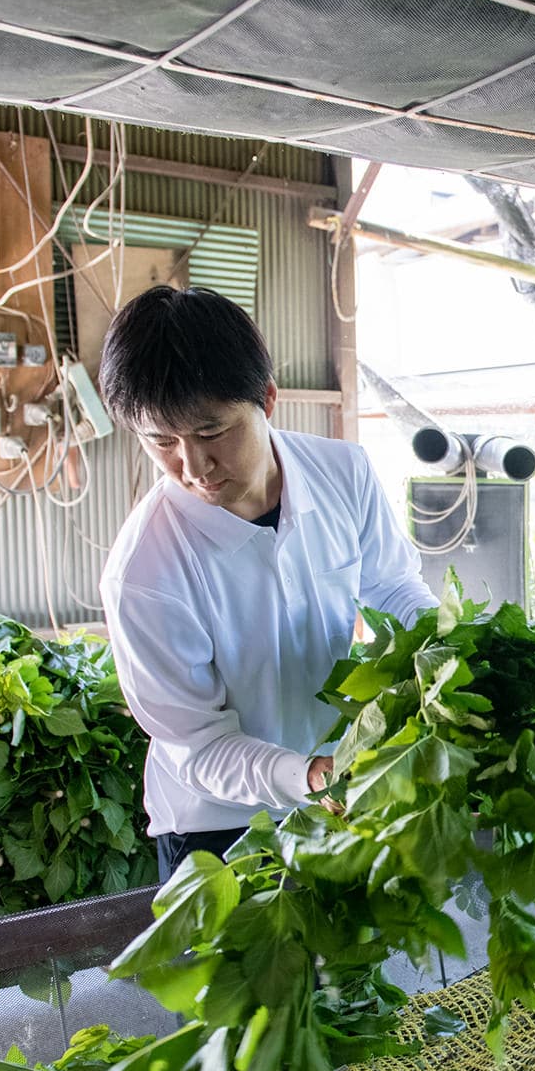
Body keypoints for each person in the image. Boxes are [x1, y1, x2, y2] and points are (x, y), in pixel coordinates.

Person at [98, 286, 435, 879]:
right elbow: (197, 744)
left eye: (211, 432)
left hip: (337, 785)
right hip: (216, 824)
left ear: (267, 400)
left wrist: (454, 651)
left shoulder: (342, 472)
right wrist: (306, 774)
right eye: (161, 442)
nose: (193, 466)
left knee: (348, 968)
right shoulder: (144, 572)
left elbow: (394, 589)